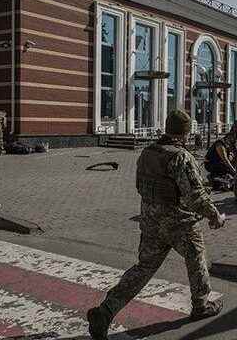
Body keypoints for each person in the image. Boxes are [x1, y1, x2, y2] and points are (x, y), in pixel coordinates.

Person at [87, 109, 226, 340]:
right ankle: (201, 305)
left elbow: (140, 185)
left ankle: (105, 311)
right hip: (179, 223)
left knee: (143, 269)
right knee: (197, 258)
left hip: (151, 222)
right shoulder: (181, 157)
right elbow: (195, 196)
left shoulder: (147, 153)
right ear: (185, 132)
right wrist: (214, 215)